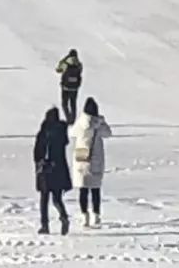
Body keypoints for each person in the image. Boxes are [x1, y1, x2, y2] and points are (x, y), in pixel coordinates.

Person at [70, 97, 112, 228]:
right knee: (95, 189)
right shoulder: (98, 124)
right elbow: (108, 133)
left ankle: (84, 216)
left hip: (82, 152)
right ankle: (96, 215)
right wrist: (102, 122)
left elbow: (72, 133)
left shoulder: (80, 122)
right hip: (95, 155)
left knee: (82, 187)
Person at [34, 107, 72, 235]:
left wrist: (39, 164)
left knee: (44, 199)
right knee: (57, 198)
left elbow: (38, 151)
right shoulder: (62, 131)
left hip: (46, 169)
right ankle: (64, 216)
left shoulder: (45, 131)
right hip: (59, 169)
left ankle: (45, 225)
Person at [55, 49, 83, 124]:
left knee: (64, 104)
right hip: (75, 88)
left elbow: (58, 70)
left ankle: (68, 118)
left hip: (65, 87)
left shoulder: (65, 64)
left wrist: (64, 59)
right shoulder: (79, 64)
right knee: (73, 103)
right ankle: (73, 119)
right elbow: (80, 72)